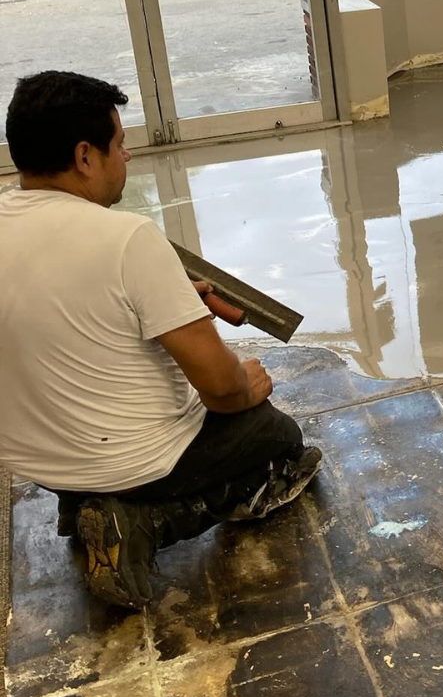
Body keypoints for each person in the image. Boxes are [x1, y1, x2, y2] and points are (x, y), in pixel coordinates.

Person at [0, 72, 322, 609]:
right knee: (277, 437)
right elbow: (220, 389)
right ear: (85, 156)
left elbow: (57, 314)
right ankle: (143, 520)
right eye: (120, 145)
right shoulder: (126, 239)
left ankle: (83, 507)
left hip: (33, 460)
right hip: (137, 460)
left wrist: (167, 299)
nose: (126, 158)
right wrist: (246, 383)